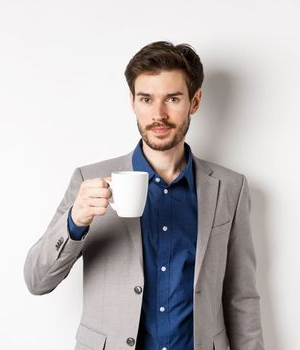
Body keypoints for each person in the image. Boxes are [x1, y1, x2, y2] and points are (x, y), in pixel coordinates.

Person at [23, 41, 264, 350]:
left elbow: (241, 296)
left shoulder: (229, 187)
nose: (158, 114)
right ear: (132, 101)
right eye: (146, 99)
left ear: (195, 101)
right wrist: (75, 221)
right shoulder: (89, 181)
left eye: (173, 98)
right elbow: (37, 281)